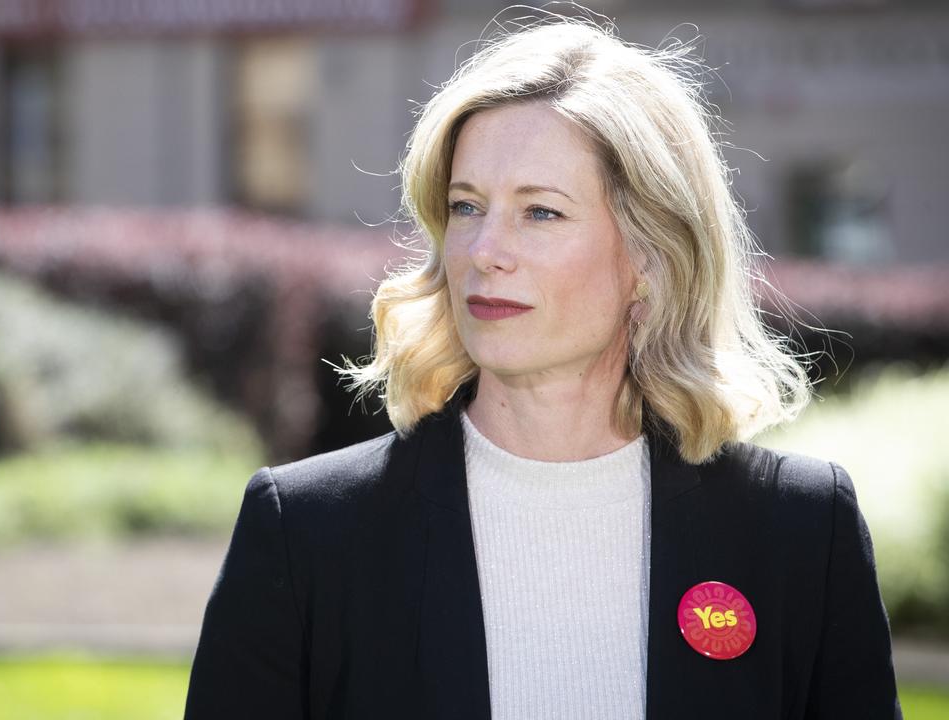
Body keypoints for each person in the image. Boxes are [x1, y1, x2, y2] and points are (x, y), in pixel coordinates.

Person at [183, 14, 900, 720]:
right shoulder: (305, 533)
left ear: (651, 256)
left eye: (541, 213)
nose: (485, 250)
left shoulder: (800, 531)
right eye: (467, 207)